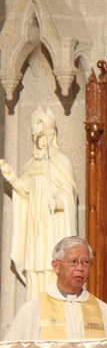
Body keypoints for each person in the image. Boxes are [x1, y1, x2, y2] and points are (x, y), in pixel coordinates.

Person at [0, 107, 77, 300]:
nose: (39, 140)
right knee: (34, 268)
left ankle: (53, 307)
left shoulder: (61, 160)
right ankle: (34, 309)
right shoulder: (32, 164)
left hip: (52, 229)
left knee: (50, 267)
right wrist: (11, 178)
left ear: (51, 136)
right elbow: (24, 190)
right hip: (35, 230)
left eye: (42, 136)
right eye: (35, 137)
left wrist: (58, 202)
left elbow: (69, 193)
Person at [4, 236, 107, 340]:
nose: (80, 268)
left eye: (85, 262)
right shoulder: (32, 312)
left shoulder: (104, 312)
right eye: (73, 261)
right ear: (56, 266)